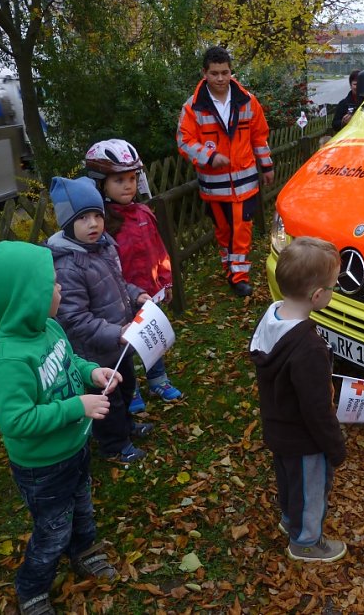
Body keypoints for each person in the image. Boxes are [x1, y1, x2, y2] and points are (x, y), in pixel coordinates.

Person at [0, 240, 120, 615]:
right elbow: (16, 421)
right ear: (27, 298)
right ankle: (32, 589)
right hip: (42, 468)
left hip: (74, 449)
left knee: (83, 507)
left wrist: (92, 372)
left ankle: (85, 552)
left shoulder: (50, 328)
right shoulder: (7, 360)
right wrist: (76, 406)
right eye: (51, 285)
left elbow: (71, 361)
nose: (60, 289)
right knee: (53, 530)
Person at [249, 236, 347, 563]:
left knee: (290, 479)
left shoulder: (273, 315)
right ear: (318, 296)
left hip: (278, 427)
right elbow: (317, 410)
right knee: (310, 488)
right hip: (304, 438)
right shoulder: (308, 349)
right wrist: (335, 447)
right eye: (334, 286)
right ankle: (305, 541)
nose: (334, 291)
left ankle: (289, 519)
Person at [46, 175, 153, 464]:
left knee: (127, 387)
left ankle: (127, 428)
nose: (93, 224)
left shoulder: (104, 247)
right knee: (109, 402)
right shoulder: (67, 265)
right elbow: (75, 319)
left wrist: (137, 295)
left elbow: (117, 284)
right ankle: (114, 445)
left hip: (118, 345)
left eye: (97, 215)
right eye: (83, 218)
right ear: (68, 224)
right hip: (94, 353)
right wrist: (116, 332)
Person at [85, 138, 183, 413]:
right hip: (118, 299)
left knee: (151, 339)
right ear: (100, 183)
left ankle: (158, 379)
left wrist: (165, 281)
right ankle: (132, 387)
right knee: (125, 346)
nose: (128, 185)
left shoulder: (143, 213)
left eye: (132, 178)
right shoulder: (101, 224)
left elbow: (158, 250)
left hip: (149, 294)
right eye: (119, 180)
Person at [176, 45, 274, 297]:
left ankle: (238, 276)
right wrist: (210, 156)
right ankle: (229, 266)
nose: (220, 78)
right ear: (204, 73)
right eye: (215, 73)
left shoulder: (248, 102)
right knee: (224, 230)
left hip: (245, 183)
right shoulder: (193, 108)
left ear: (231, 72)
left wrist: (266, 166)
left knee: (242, 228)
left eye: (225, 72)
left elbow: (259, 137)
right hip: (214, 185)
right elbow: (184, 141)